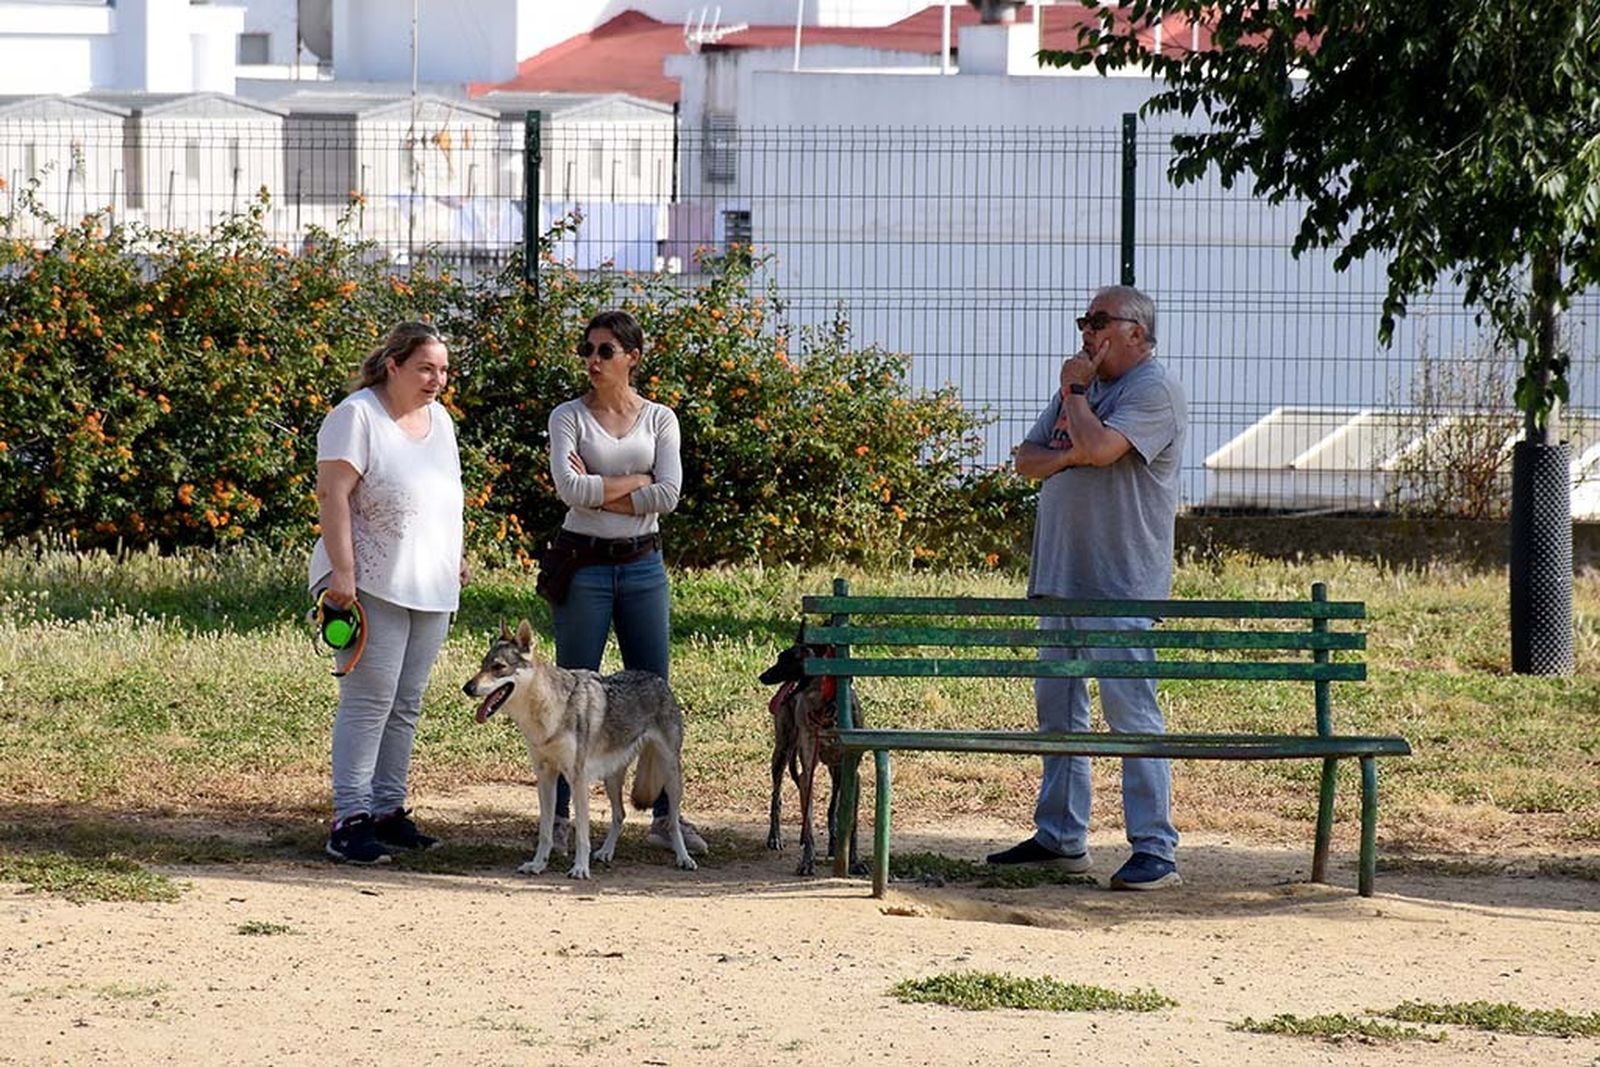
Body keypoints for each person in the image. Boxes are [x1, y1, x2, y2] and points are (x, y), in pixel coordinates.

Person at [987, 285, 1187, 890]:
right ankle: (1061, 837)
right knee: (1059, 715)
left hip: (1120, 585)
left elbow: (1099, 448)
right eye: (1084, 319)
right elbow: (1025, 459)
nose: (1087, 330)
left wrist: (1075, 416)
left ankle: (1156, 849)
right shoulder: (1083, 394)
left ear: (1137, 331)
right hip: (1061, 578)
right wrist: (1077, 439)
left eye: (1099, 320)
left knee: (1132, 717)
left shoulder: (1153, 390)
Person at [543, 309, 707, 856]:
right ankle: (563, 820)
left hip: (642, 564)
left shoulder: (660, 419)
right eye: (587, 350)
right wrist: (636, 480)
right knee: (572, 691)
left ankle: (666, 818)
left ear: (633, 357)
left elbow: (670, 494)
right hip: (583, 564)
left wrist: (601, 485)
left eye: (605, 351)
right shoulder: (567, 415)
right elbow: (569, 489)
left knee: (653, 689)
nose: (592, 360)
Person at [309, 321, 468, 864]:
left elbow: (442, 495)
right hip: (369, 580)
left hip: (430, 582)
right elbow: (332, 494)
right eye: (426, 368)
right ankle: (349, 819)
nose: (437, 380)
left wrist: (454, 558)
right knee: (370, 700)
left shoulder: (440, 420)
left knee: (406, 703)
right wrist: (342, 573)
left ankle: (386, 809)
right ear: (393, 365)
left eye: (443, 370)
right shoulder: (356, 416)